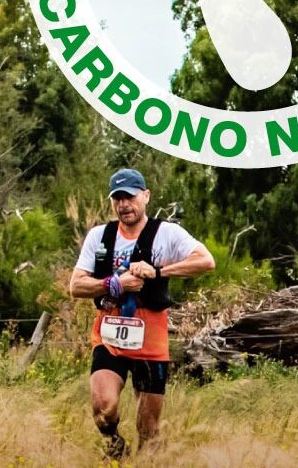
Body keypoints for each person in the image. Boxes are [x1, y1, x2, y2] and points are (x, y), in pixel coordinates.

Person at [69, 168, 215, 458]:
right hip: (109, 332)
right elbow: (76, 286)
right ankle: (115, 448)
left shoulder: (167, 233)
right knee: (103, 408)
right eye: (118, 199)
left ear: (146, 196)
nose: (124, 205)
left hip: (150, 335)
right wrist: (114, 284)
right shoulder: (100, 236)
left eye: (130, 197)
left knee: (148, 430)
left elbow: (205, 261)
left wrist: (157, 272)